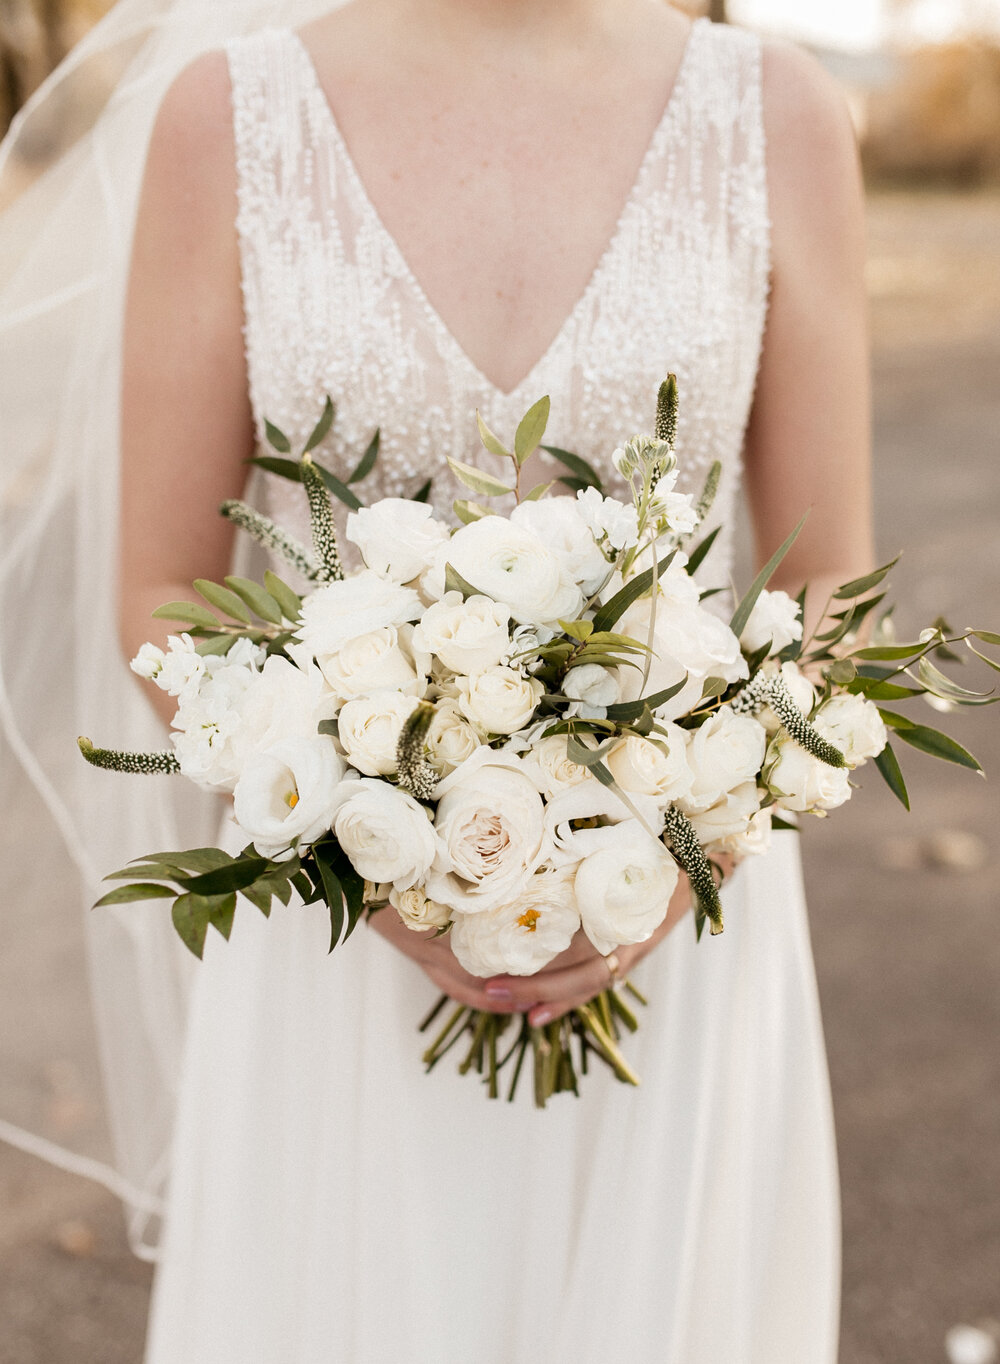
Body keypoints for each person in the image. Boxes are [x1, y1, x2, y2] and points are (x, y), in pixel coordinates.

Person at [5, 0, 873, 1358]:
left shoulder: (780, 115)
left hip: (679, 915)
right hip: (343, 929)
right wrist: (384, 861)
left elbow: (828, 587)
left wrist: (692, 822)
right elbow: (163, 590)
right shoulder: (230, 121)